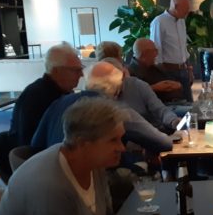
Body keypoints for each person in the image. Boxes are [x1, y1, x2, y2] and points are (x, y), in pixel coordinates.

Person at [0, 98, 126, 215]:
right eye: (113, 140)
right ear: (82, 143)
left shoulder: (93, 163)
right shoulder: (49, 187)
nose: (122, 148)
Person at [31, 61, 172, 155]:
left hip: (52, 174)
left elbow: (35, 145)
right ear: (117, 89)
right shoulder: (114, 111)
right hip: (97, 178)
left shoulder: (58, 103)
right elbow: (163, 143)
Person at [8, 42, 83, 147]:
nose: (81, 74)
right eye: (76, 70)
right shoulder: (39, 97)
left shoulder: (59, 91)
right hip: (35, 154)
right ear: (56, 71)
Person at [150, 0, 193, 102]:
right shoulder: (159, 22)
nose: (188, 12)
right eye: (185, 9)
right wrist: (162, 76)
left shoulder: (181, 21)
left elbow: (183, 47)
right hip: (169, 72)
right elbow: (156, 50)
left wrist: (189, 69)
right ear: (175, 6)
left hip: (183, 70)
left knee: (189, 103)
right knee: (175, 104)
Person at [128, 38, 184, 102]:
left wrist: (177, 85)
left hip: (176, 103)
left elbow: (171, 83)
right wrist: (154, 88)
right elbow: (131, 97)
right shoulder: (129, 73)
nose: (156, 54)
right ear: (144, 54)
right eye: (154, 51)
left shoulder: (156, 68)